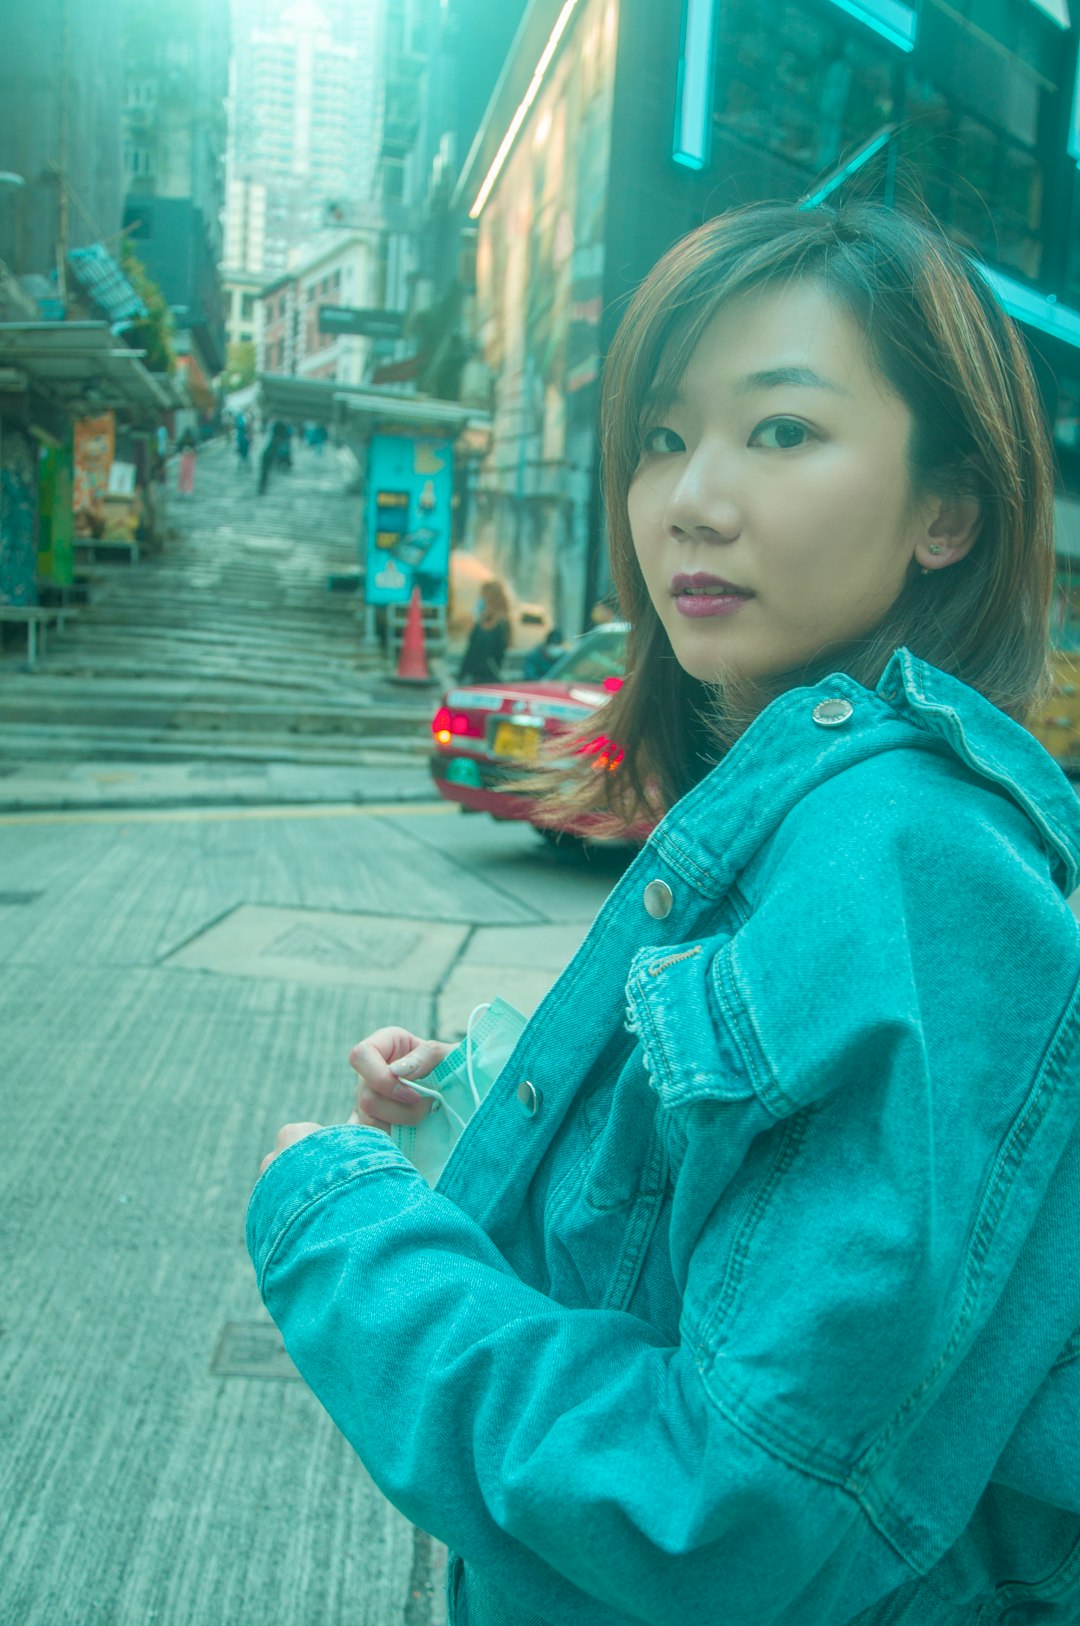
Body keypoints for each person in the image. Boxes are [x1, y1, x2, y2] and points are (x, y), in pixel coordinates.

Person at [249, 200, 1080, 1624]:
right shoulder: (807, 810)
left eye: (779, 432)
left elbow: (714, 1510)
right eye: (659, 436)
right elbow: (706, 1225)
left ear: (949, 508)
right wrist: (491, 1092)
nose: (690, 497)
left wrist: (338, 1218)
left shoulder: (907, 862)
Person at [457, 578, 512, 684]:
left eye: (484, 597)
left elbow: (491, 652)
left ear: (492, 600)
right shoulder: (481, 622)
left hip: (489, 678)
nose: (481, 601)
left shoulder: (502, 624)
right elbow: (470, 651)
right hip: (474, 677)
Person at [176, 427, 196, 499]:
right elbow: (195, 449)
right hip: (190, 457)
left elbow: (178, 448)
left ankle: (181, 490)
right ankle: (188, 491)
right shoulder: (192, 440)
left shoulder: (182, 440)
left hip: (184, 457)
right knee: (189, 475)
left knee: (182, 474)